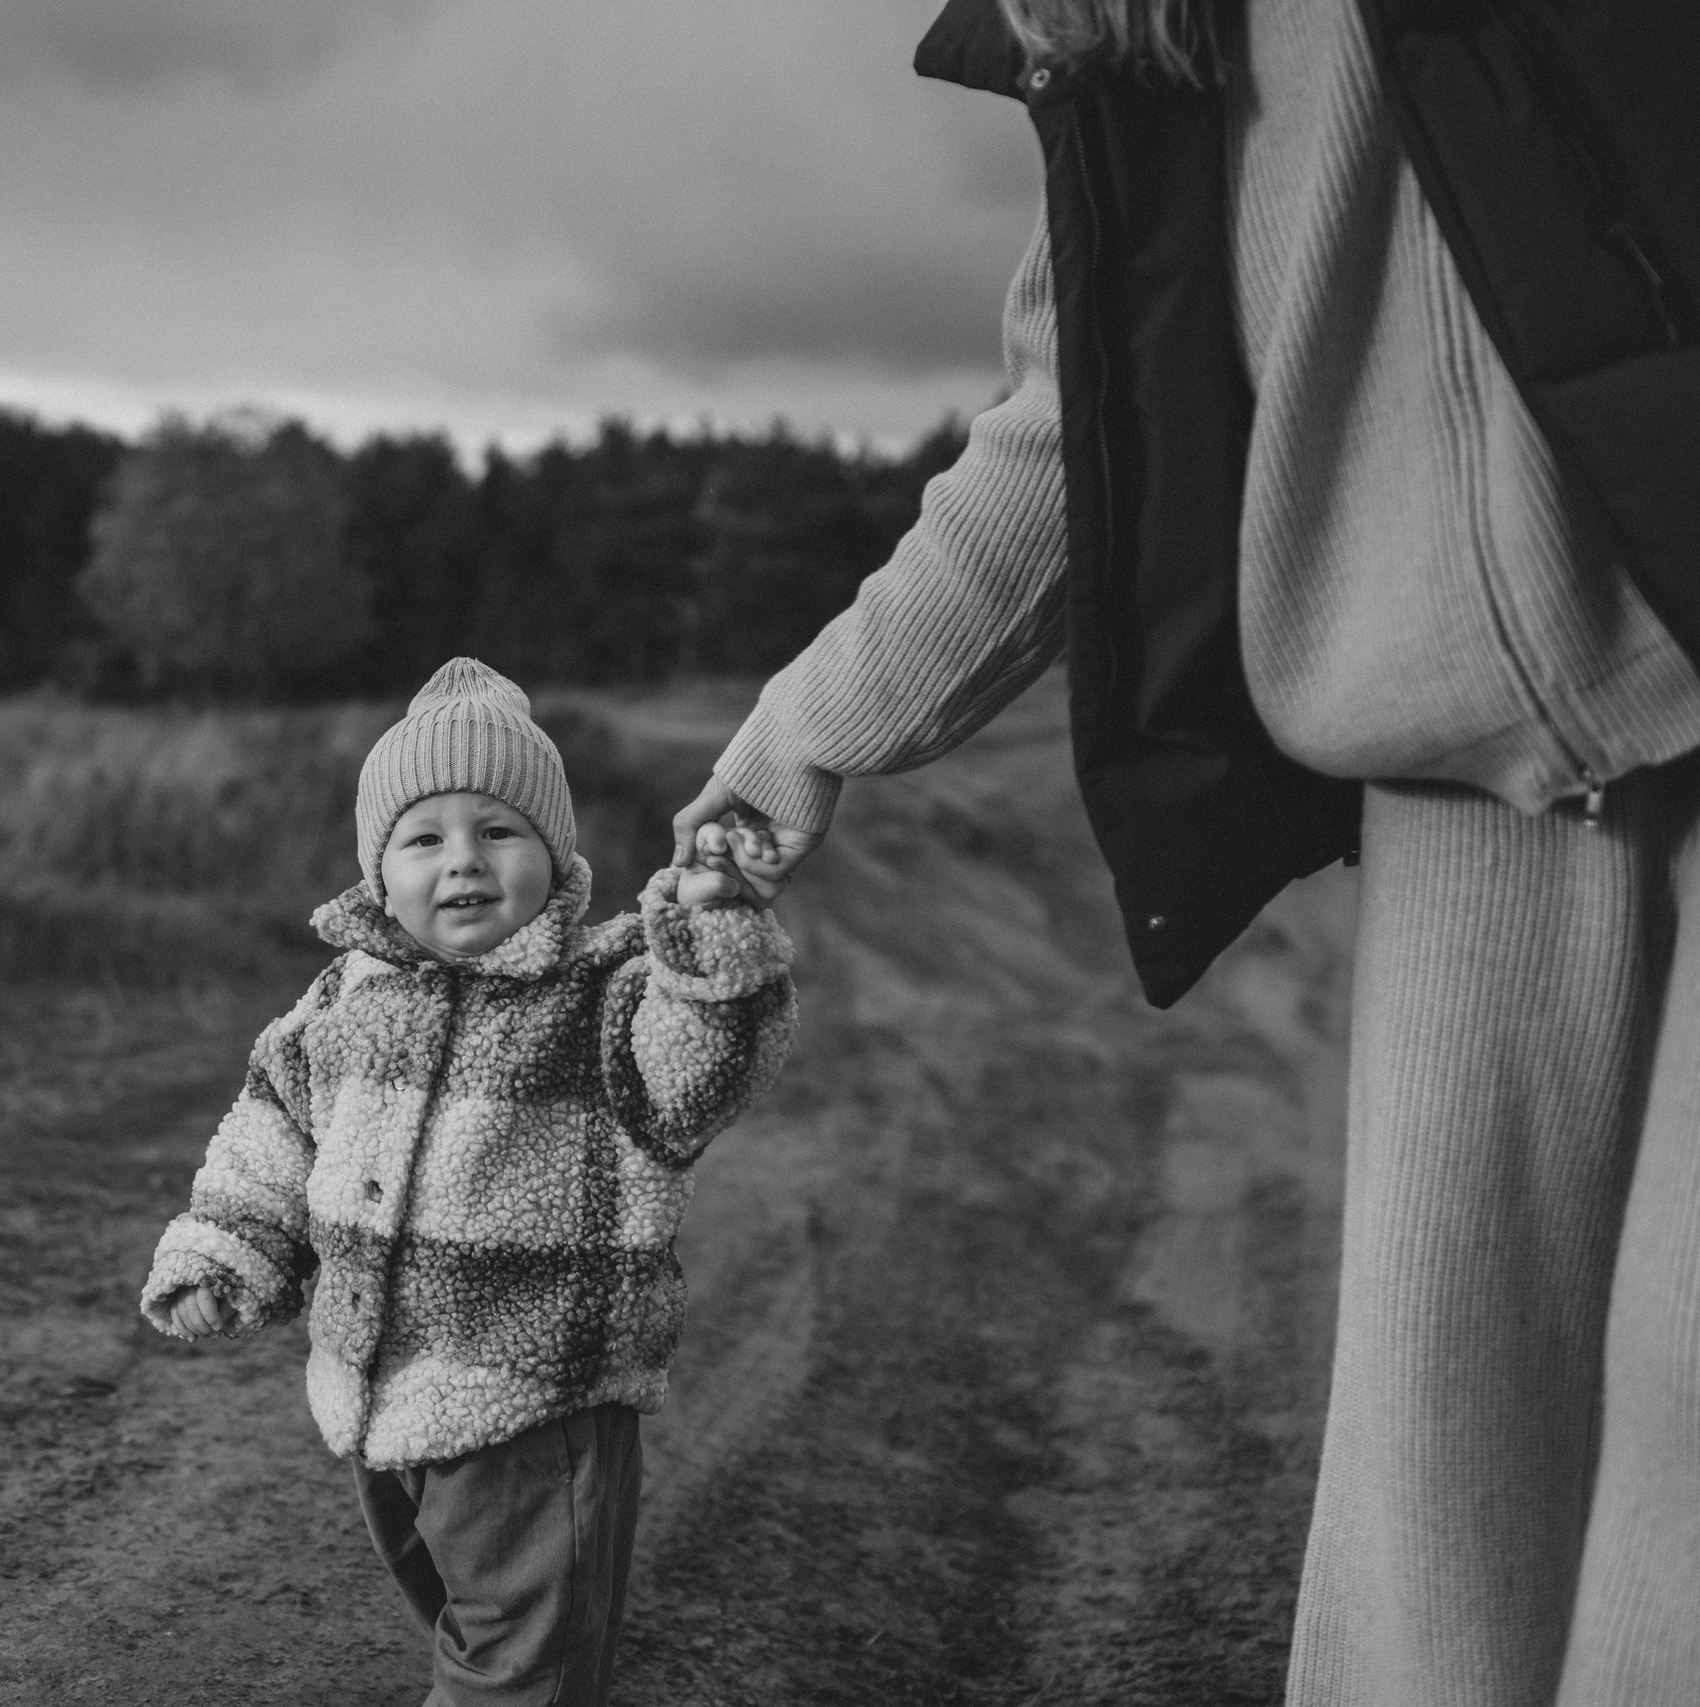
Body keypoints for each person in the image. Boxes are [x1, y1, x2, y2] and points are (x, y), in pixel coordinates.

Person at [672, 1, 1700, 1703]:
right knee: (1439, 1482)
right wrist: (802, 728)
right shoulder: (1137, 34)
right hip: (1452, 805)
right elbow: (1070, 435)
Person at [142, 656, 795, 1707]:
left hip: (536, 1406)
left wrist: (712, 925)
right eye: (424, 838)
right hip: (381, 1403)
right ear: (377, 870)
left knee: (519, 1663)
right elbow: (267, 1142)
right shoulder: (340, 1005)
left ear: (554, 852)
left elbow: (702, 1064)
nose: (463, 862)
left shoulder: (603, 995)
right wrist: (224, 1251)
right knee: (465, 1622)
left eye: (498, 830)